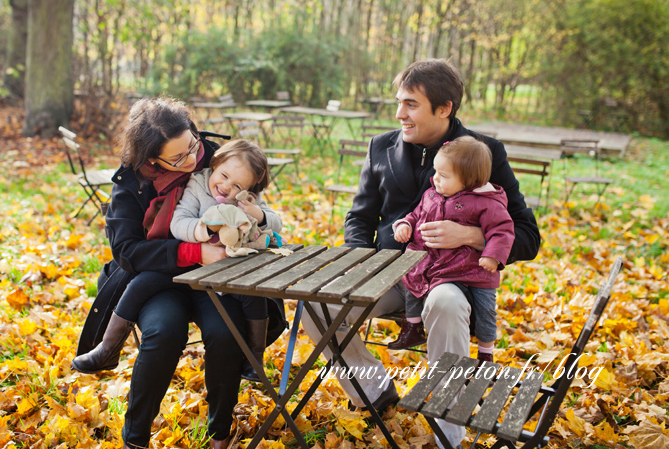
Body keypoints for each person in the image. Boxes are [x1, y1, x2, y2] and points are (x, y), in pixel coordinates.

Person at [300, 59, 540, 448]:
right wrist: (364, 264)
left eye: (411, 104)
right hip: (391, 274)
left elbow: (528, 236)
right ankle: (373, 389)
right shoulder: (380, 146)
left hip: (453, 279)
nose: (400, 114)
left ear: (444, 108)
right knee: (312, 305)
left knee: (445, 303)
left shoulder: (483, 153)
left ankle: (449, 434)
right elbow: (359, 217)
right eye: (399, 102)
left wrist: (471, 235)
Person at [71, 98, 286, 449]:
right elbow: (127, 252)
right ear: (152, 159)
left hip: (215, 280)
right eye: (178, 158)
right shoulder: (130, 184)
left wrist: (254, 221)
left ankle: (219, 433)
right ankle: (136, 438)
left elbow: (258, 209)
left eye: (193, 147)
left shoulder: (218, 159)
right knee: (163, 331)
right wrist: (195, 251)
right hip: (159, 280)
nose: (191, 161)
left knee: (225, 332)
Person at [387, 136, 515, 364]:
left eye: (443, 176)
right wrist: (404, 224)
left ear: (470, 181)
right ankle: (412, 327)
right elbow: (415, 215)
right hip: (430, 266)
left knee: (486, 312)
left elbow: (502, 231)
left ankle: (486, 352)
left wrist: (492, 255)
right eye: (436, 171)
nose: (434, 178)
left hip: (472, 272)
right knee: (412, 279)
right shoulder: (432, 195)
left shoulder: (487, 202)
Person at [170, 139, 283, 381]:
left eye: (236, 186)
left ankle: (254, 357)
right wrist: (206, 229)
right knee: (229, 321)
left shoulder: (247, 199)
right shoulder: (199, 183)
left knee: (256, 294)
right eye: (223, 175)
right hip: (201, 268)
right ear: (216, 163)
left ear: (248, 189)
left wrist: (259, 214)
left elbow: (277, 223)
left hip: (235, 268)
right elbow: (177, 223)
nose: (225, 187)